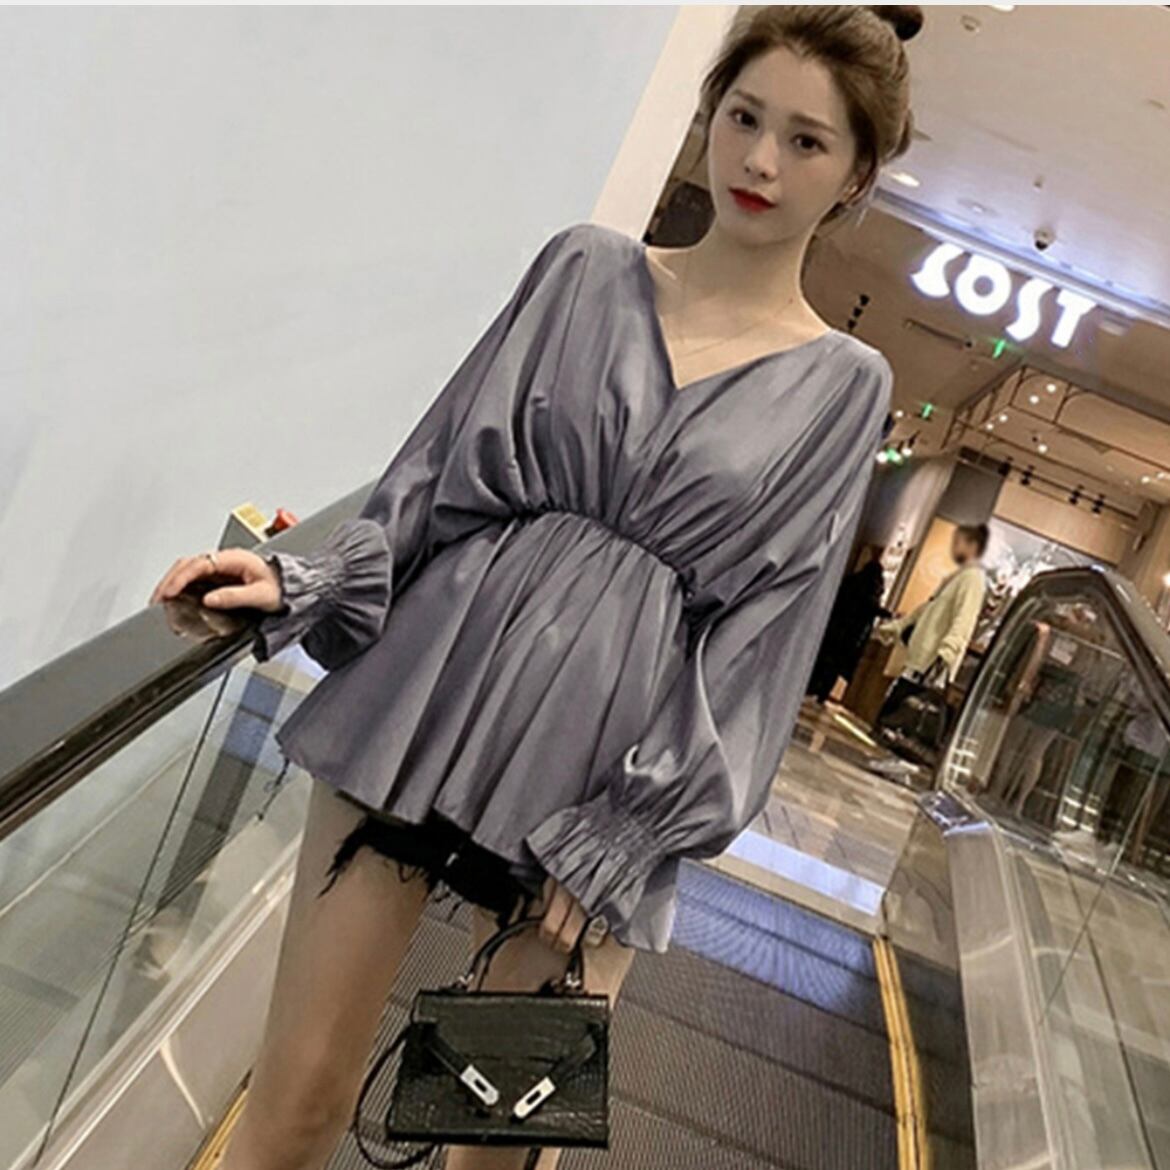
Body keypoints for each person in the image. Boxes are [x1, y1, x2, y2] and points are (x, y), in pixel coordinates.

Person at [148, 8, 920, 1169]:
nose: (760, 161)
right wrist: (304, 579)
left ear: (855, 174)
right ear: (711, 112)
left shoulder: (845, 386)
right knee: (295, 1104)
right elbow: (436, 479)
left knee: (488, 1150)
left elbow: (762, 647)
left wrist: (634, 828)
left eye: (806, 141)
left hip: (600, 791)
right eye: (744, 117)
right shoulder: (583, 269)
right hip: (422, 705)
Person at [868, 523, 988, 776]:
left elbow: (964, 618)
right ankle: (897, 756)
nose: (955, 546)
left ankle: (905, 761)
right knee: (902, 705)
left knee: (913, 710)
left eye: (960, 541)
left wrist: (948, 651)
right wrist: (897, 627)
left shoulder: (972, 579)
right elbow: (927, 609)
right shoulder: (956, 577)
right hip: (921, 656)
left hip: (933, 660)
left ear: (973, 545)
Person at [806, 545, 891, 705]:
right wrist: (888, 614)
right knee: (836, 665)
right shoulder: (871, 589)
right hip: (851, 635)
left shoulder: (851, 581)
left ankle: (811, 687)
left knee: (824, 659)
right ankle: (823, 693)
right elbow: (871, 607)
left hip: (835, 627)